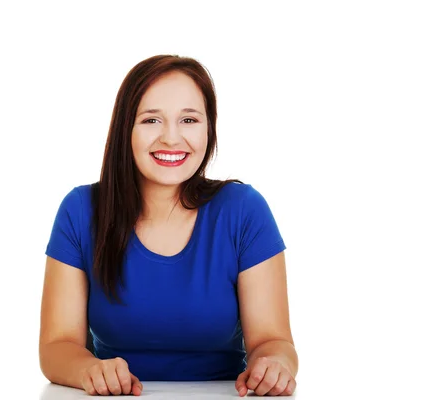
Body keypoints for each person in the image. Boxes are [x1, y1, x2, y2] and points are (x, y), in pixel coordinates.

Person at [39, 54, 298, 397]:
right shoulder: (80, 210)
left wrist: (273, 365)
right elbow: (57, 346)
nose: (172, 139)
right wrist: (90, 370)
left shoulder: (243, 211)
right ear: (125, 128)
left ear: (209, 128)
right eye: (151, 121)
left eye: (189, 120)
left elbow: (273, 340)